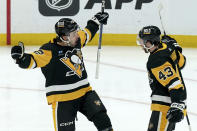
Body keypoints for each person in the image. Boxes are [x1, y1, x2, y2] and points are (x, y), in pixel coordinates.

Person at [11, 12, 113, 131]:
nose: (77, 35)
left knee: (104, 122)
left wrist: (96, 20)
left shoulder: (76, 40)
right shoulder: (48, 51)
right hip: (63, 100)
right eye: (74, 33)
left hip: (85, 93)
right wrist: (20, 57)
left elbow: (87, 32)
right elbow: (31, 60)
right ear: (65, 37)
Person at [136, 25, 187, 131]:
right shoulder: (166, 46)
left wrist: (177, 104)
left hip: (166, 106)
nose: (141, 44)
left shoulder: (156, 60)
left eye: (143, 42)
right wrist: (176, 48)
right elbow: (181, 62)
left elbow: (174, 83)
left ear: (151, 42)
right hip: (172, 104)